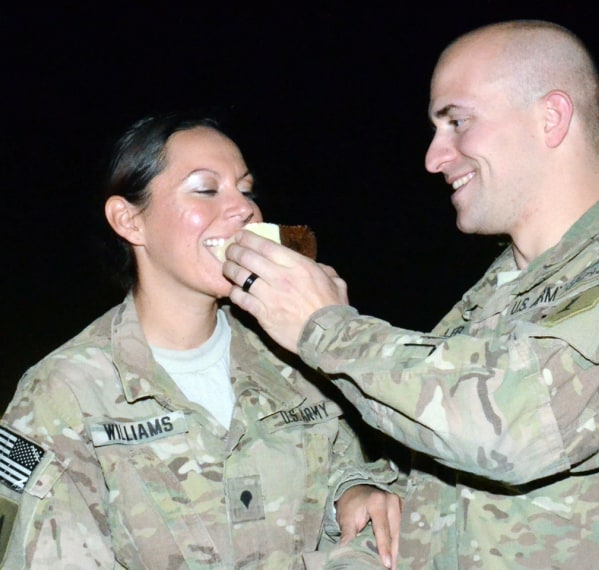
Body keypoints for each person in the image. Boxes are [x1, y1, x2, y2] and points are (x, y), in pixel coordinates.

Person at [221, 20, 599, 569]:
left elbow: (517, 428)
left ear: (550, 118)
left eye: (457, 122)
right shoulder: (486, 303)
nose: (434, 158)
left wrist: (325, 327)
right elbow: (418, 518)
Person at [0, 113, 402, 569]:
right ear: (129, 221)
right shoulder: (62, 394)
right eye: (206, 189)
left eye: (246, 191)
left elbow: (347, 465)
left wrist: (353, 492)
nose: (245, 210)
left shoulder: (292, 354)